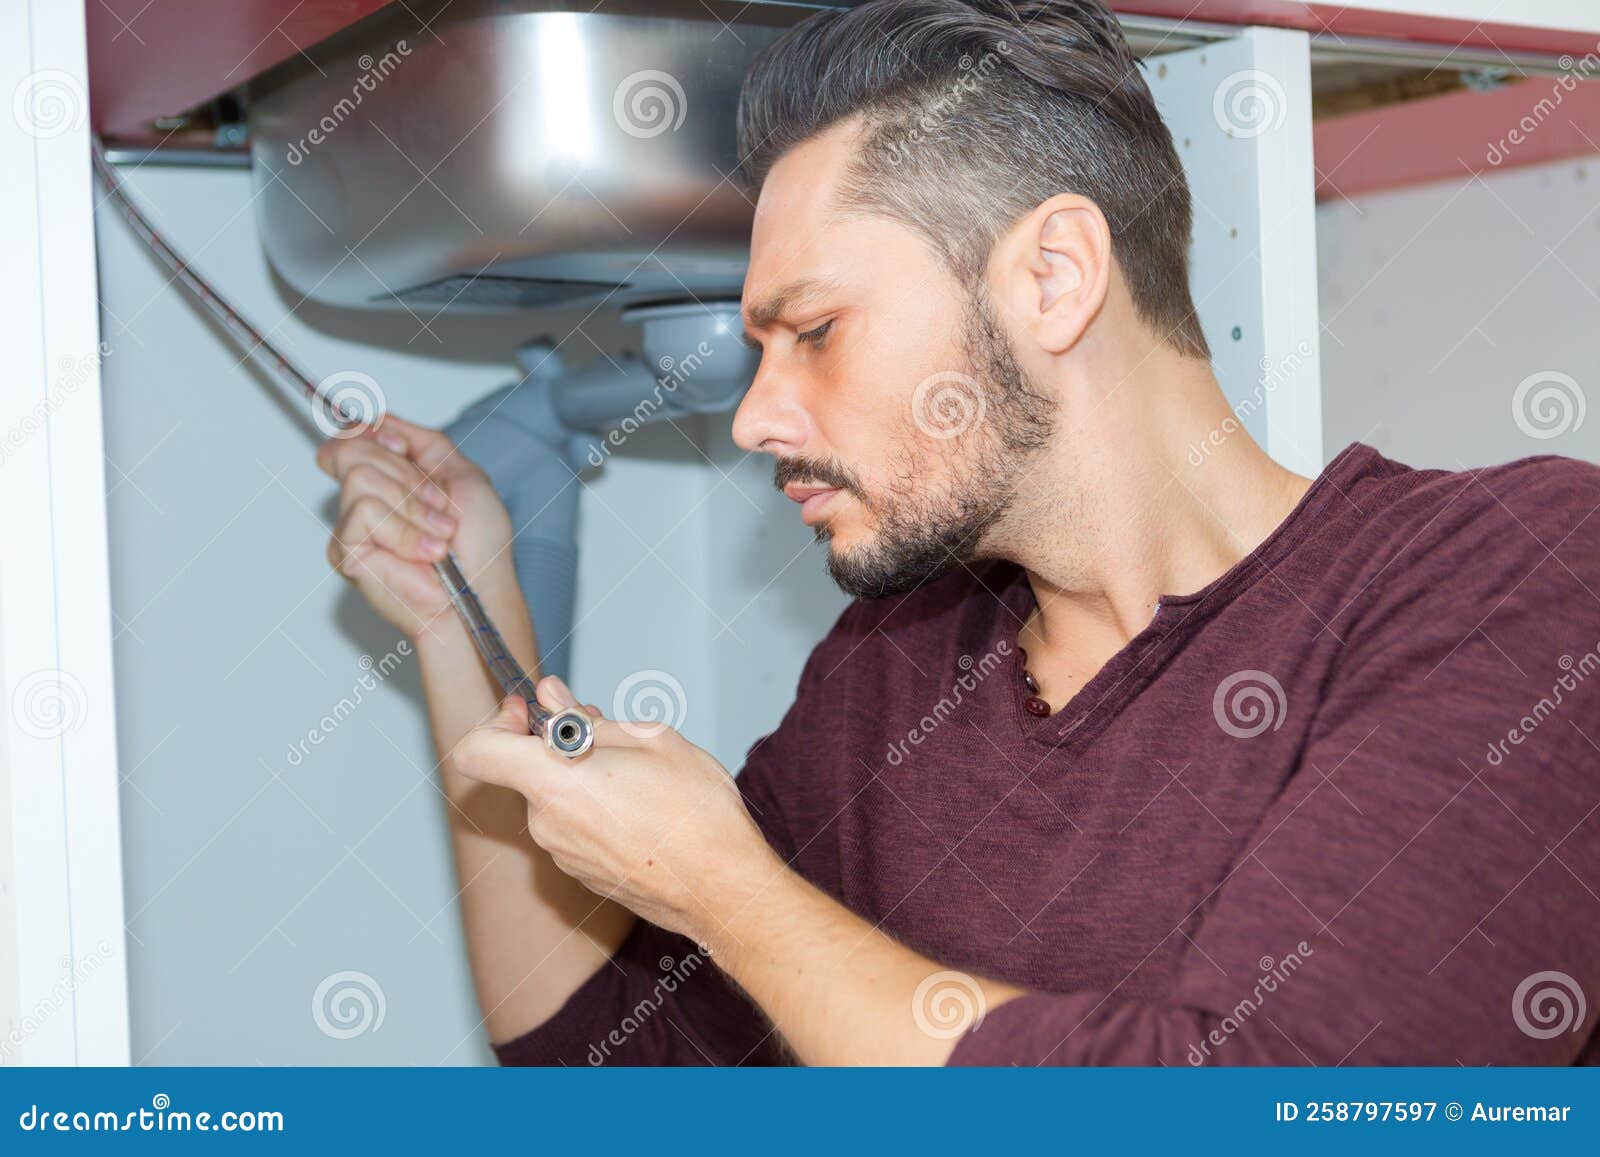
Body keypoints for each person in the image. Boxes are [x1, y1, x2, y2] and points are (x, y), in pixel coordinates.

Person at [315, 0, 1600, 1065]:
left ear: (1052, 278)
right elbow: (603, 1062)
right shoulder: (896, 667)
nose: (756, 414)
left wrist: (733, 890)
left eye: (812, 331)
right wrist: (458, 609)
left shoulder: (1514, 577)